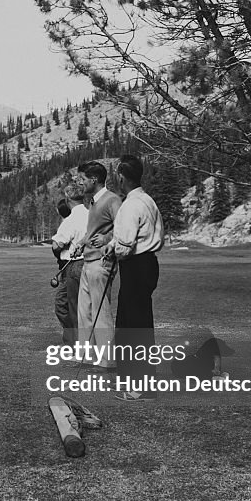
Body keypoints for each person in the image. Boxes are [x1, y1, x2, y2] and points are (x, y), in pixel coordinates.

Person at [103, 154, 165, 401]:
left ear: (121, 177)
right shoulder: (147, 200)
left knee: (133, 326)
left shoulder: (130, 204)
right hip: (147, 264)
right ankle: (135, 383)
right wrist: (114, 245)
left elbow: (125, 246)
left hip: (135, 266)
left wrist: (112, 251)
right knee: (136, 324)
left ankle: (139, 387)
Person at [75, 161, 121, 366]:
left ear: (94, 179)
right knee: (84, 312)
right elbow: (94, 231)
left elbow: (124, 228)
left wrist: (107, 239)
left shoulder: (112, 200)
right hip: (88, 261)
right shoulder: (93, 201)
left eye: (82, 179)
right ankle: (87, 357)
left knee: (100, 313)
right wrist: (82, 242)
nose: (79, 183)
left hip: (101, 262)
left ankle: (107, 362)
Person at [50, 189, 88, 345]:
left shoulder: (71, 219)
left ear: (67, 200)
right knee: (84, 307)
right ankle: (78, 343)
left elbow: (57, 245)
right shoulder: (91, 213)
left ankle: (77, 345)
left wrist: (57, 250)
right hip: (91, 263)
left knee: (70, 307)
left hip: (74, 265)